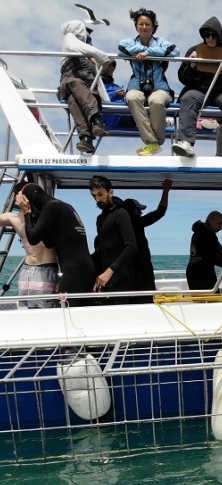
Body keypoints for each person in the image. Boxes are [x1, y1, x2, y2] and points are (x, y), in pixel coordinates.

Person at [173, 17, 222, 161]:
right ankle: (186, 143)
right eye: (206, 35)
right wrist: (192, 63)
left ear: (219, 36)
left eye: (213, 35)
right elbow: (183, 78)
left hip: (221, 92)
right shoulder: (194, 50)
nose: (209, 38)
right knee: (188, 98)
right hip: (198, 90)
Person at [15, 184, 95, 307]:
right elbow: (49, 242)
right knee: (78, 313)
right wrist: (36, 217)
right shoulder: (62, 206)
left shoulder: (51, 207)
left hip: (74, 271)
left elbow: (32, 239)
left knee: (61, 312)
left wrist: (27, 213)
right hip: (84, 269)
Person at [118, 7, 180, 156]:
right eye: (141, 24)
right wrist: (141, 49)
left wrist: (147, 53)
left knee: (157, 101)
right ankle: (153, 142)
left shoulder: (161, 41)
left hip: (160, 88)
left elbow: (175, 51)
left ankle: (155, 143)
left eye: (148, 24)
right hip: (136, 87)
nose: (144, 27)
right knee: (132, 97)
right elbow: (121, 49)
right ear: (136, 26)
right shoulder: (129, 42)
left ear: (153, 27)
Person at [58, 20, 112, 154]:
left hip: (86, 90)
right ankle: (96, 120)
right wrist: (102, 57)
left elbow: (97, 79)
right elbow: (73, 47)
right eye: (85, 31)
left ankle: (86, 139)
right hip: (71, 82)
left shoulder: (87, 50)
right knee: (74, 83)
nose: (87, 34)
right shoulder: (70, 39)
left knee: (73, 99)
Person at [0, 190, 59, 308]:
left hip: (45, 269)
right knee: (24, 308)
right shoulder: (15, 218)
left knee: (44, 310)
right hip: (26, 269)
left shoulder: (46, 217)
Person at [89, 176, 138, 302]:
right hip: (105, 279)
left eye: (100, 194)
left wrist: (109, 272)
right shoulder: (100, 218)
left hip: (121, 277)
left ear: (110, 192)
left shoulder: (121, 213)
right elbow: (102, 250)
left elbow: (131, 246)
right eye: (94, 196)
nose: (97, 199)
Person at [123, 178, 172, 302]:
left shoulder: (120, 227)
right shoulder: (137, 223)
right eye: (138, 210)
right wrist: (166, 191)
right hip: (141, 270)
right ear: (131, 211)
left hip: (129, 270)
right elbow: (160, 211)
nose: (140, 213)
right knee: (145, 299)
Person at [186, 211, 222, 290]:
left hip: (192, 270)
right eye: (218, 223)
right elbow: (212, 257)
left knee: (198, 299)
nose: (220, 227)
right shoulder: (209, 236)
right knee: (213, 298)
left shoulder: (198, 231)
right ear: (210, 220)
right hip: (203, 273)